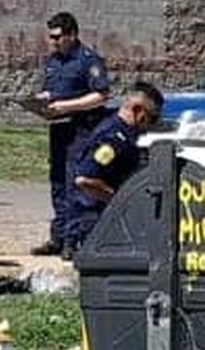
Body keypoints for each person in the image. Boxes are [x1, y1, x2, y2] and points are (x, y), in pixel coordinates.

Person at [31, 12, 112, 257]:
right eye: (51, 37)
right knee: (57, 181)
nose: (53, 42)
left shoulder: (89, 60)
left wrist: (68, 106)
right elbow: (51, 89)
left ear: (72, 35)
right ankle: (58, 236)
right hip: (59, 129)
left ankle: (74, 240)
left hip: (82, 129)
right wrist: (42, 99)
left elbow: (101, 95)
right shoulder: (53, 61)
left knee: (75, 183)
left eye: (57, 37)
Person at [61, 81, 163, 259]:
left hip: (104, 222)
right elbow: (85, 179)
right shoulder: (113, 138)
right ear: (137, 110)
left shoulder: (125, 132)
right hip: (93, 225)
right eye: (151, 118)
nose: (151, 125)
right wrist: (122, 200)